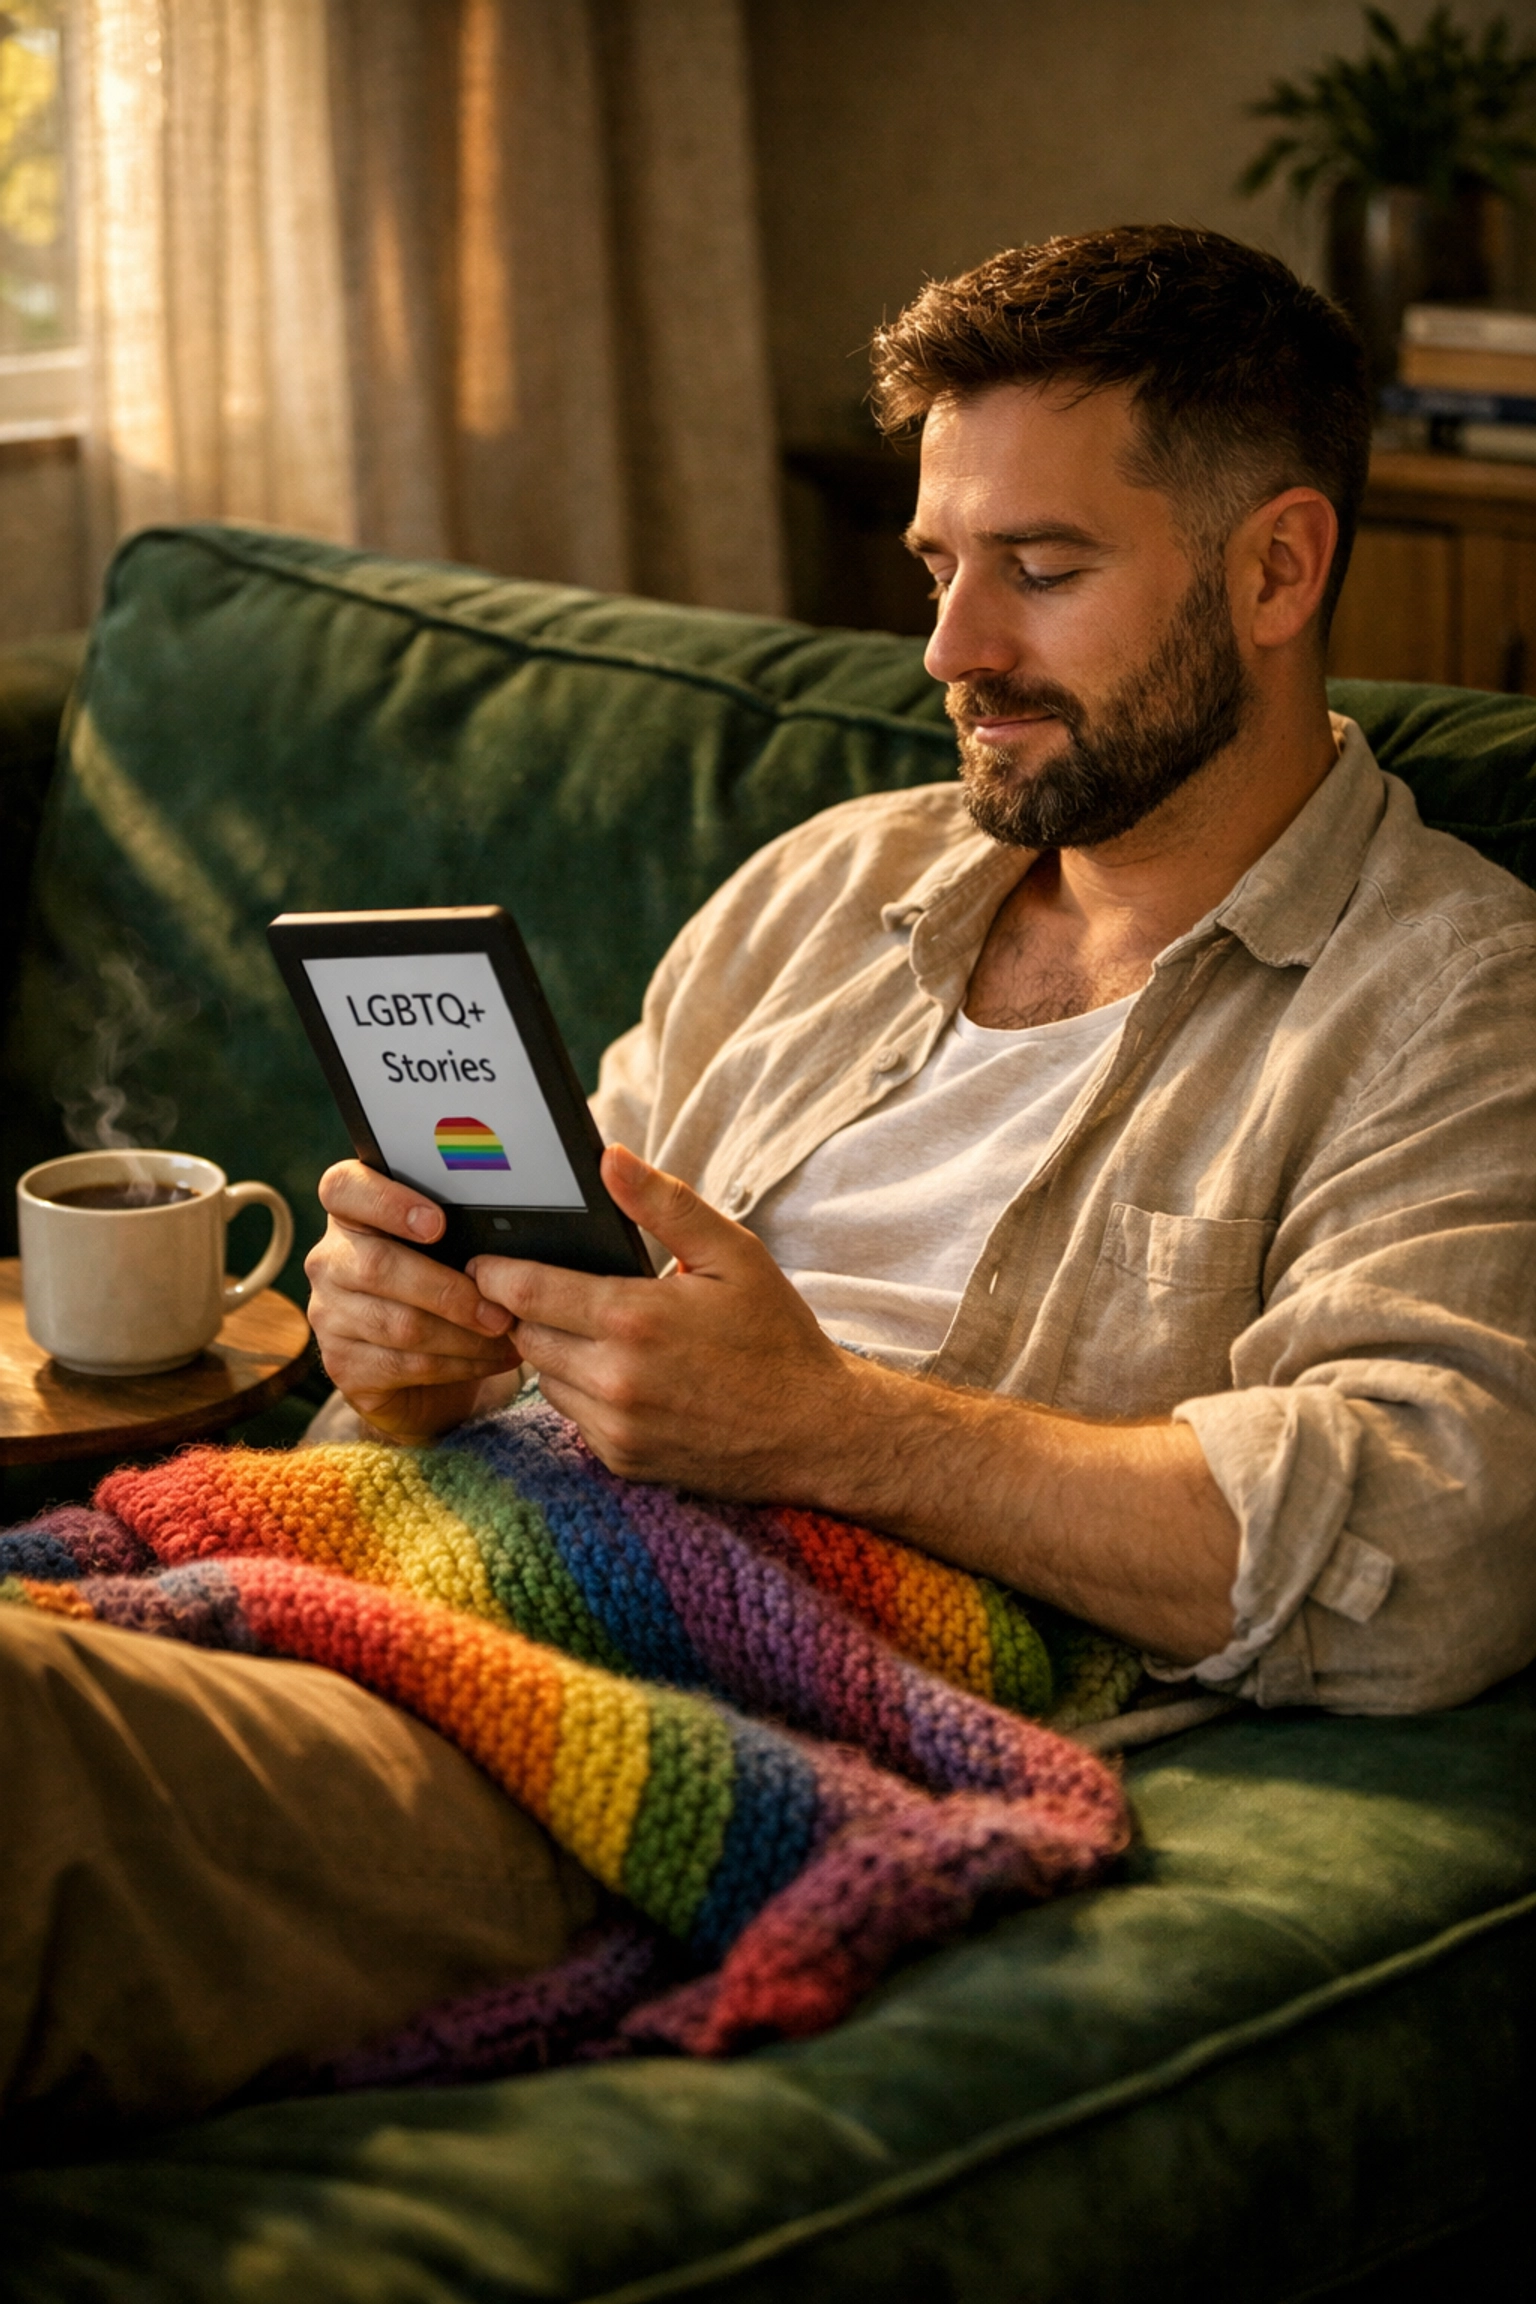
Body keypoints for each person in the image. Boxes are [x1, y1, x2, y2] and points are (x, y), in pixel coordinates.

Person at [7, 226, 1536, 2137]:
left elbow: (1440, 1539)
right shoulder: (826, 887)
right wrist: (419, 1347)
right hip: (377, 1554)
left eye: (1042, 572)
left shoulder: (1458, 998)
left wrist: (823, 1428)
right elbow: (539, 1296)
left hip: (669, 1726)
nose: (954, 651)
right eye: (941, 567)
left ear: (1278, 567)